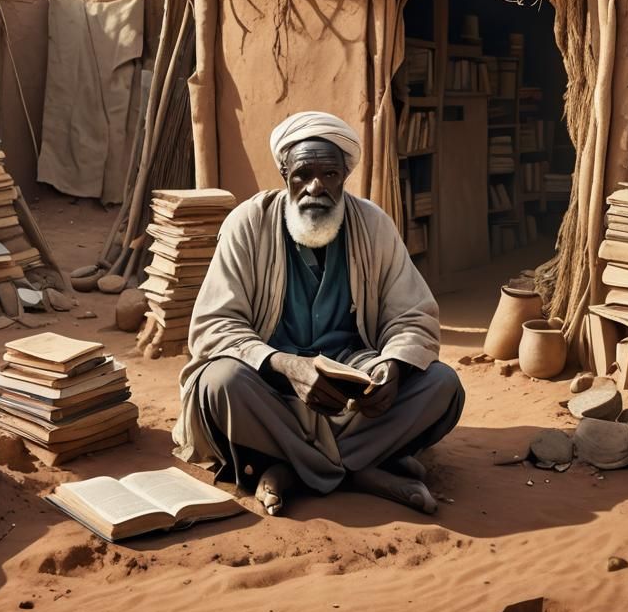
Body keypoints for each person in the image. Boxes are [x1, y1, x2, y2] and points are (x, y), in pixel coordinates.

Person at [172, 111, 464, 516]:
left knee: (441, 384)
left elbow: (412, 315)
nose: (316, 187)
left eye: (329, 175)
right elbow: (214, 326)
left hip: (350, 386)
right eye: (303, 174)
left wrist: (394, 367)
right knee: (219, 383)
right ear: (284, 174)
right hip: (269, 385)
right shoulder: (247, 223)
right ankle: (362, 470)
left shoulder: (373, 225)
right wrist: (285, 364)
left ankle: (290, 470)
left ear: (344, 175)